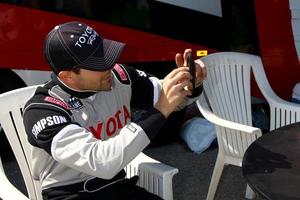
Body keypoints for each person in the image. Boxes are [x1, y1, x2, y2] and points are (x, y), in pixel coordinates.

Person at [23, 21, 206, 200]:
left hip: (114, 185)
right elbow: (102, 162)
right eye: (98, 64)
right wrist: (160, 110)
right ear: (68, 76)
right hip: (67, 193)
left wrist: (190, 84)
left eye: (105, 54)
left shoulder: (119, 77)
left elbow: (169, 97)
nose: (110, 66)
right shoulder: (43, 111)